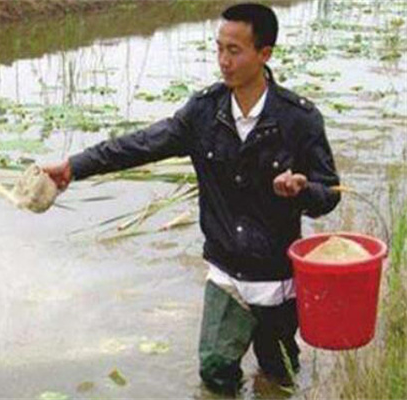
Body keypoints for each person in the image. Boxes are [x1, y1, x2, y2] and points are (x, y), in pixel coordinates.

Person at [42, 2, 340, 395]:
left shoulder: (298, 119)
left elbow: (329, 192)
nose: (223, 60)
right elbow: (140, 145)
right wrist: (75, 166)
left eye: (234, 51)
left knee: (278, 375)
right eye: (219, 48)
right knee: (215, 372)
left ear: (264, 54)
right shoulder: (204, 112)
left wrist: (304, 189)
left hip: (277, 278)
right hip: (225, 271)